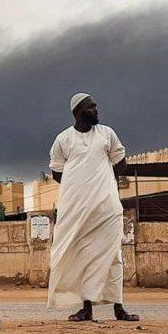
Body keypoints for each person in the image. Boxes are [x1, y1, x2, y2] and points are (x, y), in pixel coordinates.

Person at [47, 93, 139, 322]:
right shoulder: (63, 139)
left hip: (107, 206)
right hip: (77, 209)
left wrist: (101, 181)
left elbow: (121, 163)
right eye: (90, 107)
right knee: (82, 255)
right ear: (78, 111)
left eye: (96, 106)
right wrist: (81, 186)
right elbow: (57, 172)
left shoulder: (107, 133)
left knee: (114, 255)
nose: (96, 110)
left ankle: (119, 308)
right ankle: (86, 308)